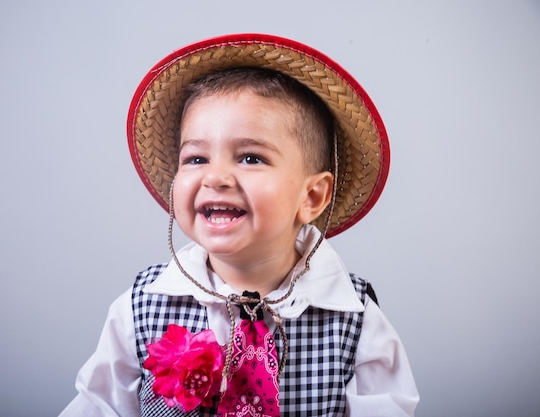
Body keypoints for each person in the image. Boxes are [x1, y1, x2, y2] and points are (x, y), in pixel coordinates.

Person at [60, 33, 419, 416]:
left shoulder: (356, 323)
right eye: (196, 159)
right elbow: (97, 407)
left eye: (250, 158)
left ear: (311, 197)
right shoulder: (140, 308)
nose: (216, 177)